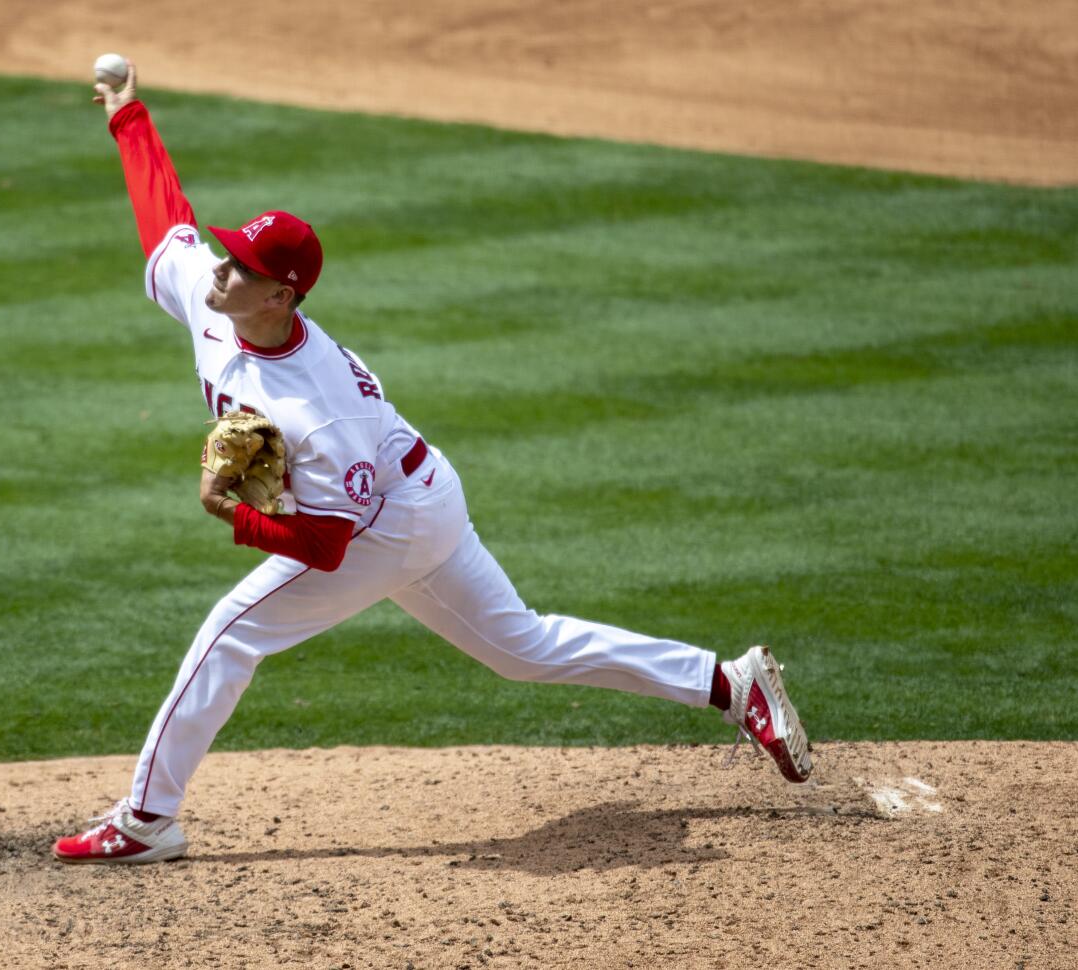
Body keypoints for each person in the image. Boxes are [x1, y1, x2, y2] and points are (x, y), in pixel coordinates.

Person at [53, 62, 812, 865]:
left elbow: (327, 550)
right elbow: (166, 220)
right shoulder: (218, 304)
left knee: (228, 636)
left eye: (242, 265)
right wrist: (128, 115)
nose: (221, 267)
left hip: (385, 521)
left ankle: (144, 822)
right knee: (524, 648)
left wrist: (231, 514)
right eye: (230, 254)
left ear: (281, 296)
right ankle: (731, 683)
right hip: (421, 491)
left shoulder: (319, 408)